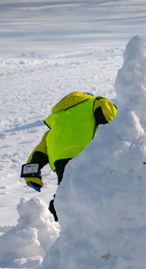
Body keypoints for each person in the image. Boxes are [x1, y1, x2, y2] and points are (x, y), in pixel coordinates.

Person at [21, 91, 118, 220]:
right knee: (102, 189)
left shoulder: (57, 122)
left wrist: (31, 176)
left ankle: (57, 223)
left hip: (61, 159)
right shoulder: (95, 102)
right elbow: (115, 123)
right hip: (89, 152)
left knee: (67, 193)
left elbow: (39, 153)